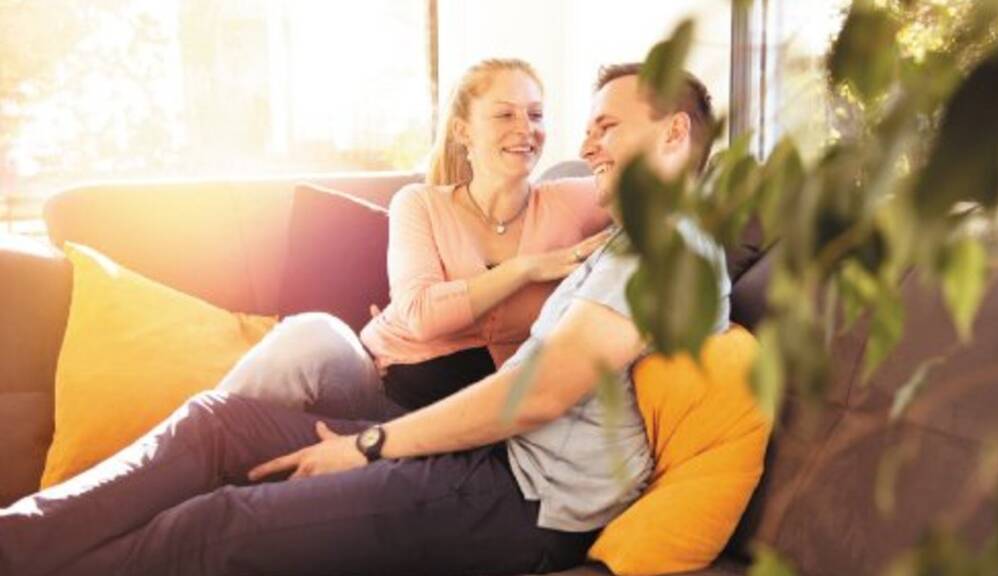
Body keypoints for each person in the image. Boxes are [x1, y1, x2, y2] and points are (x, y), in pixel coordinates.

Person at [0, 63, 730, 576]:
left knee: (216, 525)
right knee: (219, 423)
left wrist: (370, 445)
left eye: (607, 127)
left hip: (525, 497)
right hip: (490, 456)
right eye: (588, 127)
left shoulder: (667, 250)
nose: (582, 145)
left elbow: (536, 393)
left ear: (672, 135)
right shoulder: (625, 240)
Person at [218, 58, 611, 420]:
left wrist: (604, 135)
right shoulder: (419, 202)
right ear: (463, 131)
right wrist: (526, 269)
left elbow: (644, 178)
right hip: (374, 390)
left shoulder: (571, 201)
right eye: (505, 114)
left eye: (535, 114)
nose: (525, 128)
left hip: (445, 424)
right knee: (312, 333)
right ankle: (205, 429)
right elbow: (421, 316)